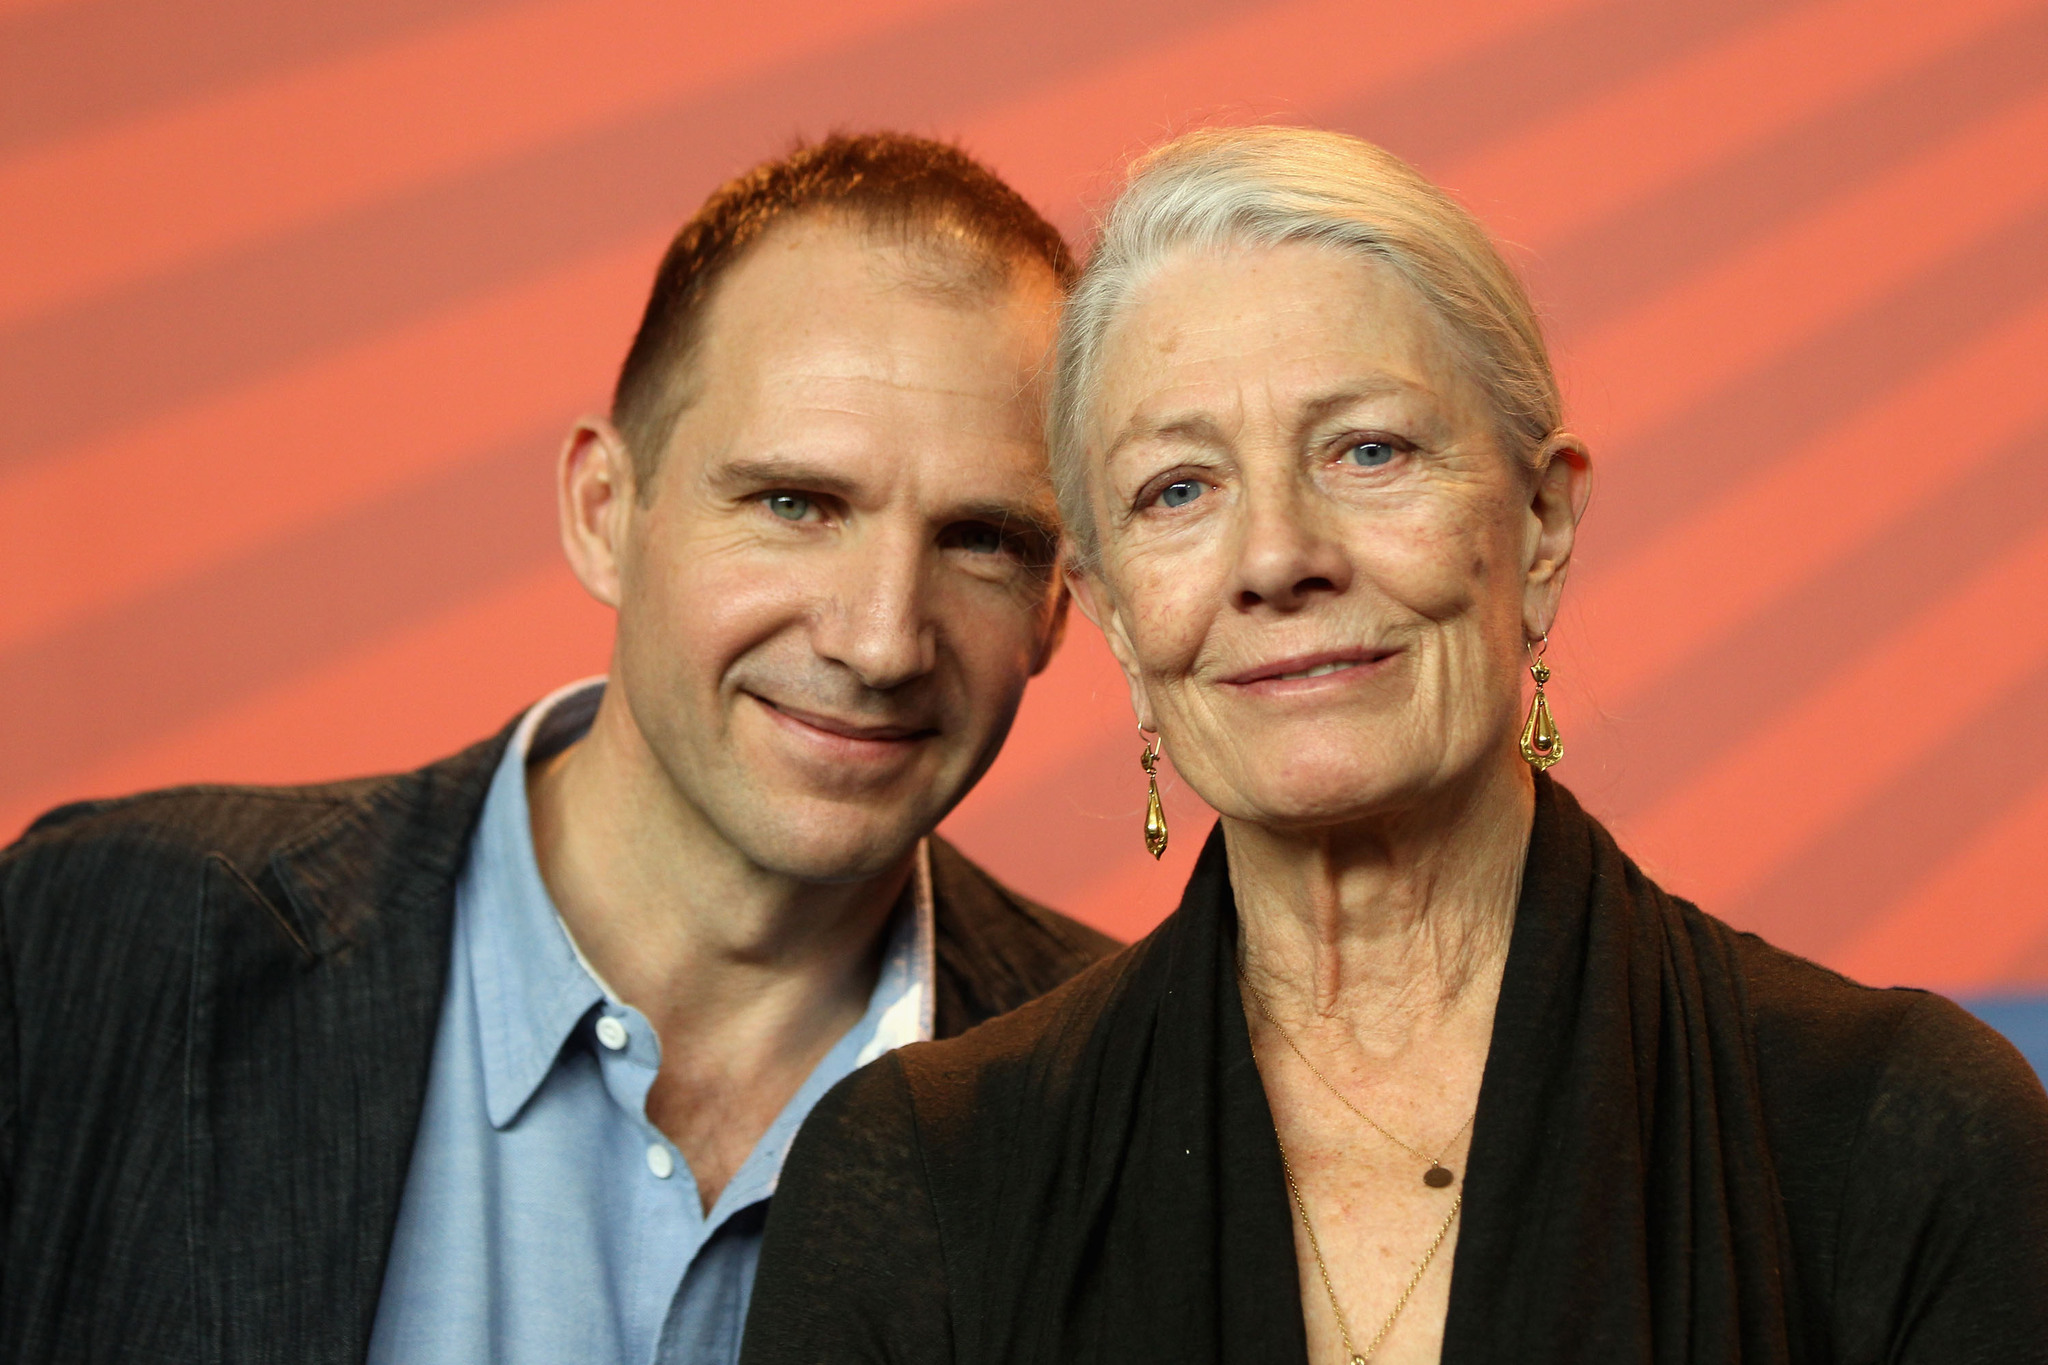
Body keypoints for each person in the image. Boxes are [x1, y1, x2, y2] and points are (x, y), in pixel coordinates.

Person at [741, 126, 2048, 1364]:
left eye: (1369, 450)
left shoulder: (1904, 1135)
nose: (1277, 559)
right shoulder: (915, 1181)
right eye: (1179, 489)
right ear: (1117, 615)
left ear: (1539, 525)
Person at [0, 132, 1118, 1365]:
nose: (878, 638)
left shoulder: (1141, 1092)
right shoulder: (113, 940)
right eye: (793, 504)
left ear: (1057, 608)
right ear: (604, 512)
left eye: (982, 540)